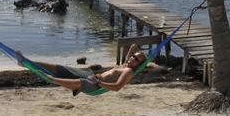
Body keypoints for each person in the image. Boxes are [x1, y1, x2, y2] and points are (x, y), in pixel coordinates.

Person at [15, 43, 147, 96]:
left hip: (95, 85)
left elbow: (117, 87)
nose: (132, 59)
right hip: (91, 75)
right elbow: (133, 46)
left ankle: (51, 79)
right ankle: (25, 61)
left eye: (136, 60)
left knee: (78, 82)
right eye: (133, 57)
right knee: (59, 68)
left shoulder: (128, 71)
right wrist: (142, 56)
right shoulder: (125, 65)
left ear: (137, 65)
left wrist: (98, 83)